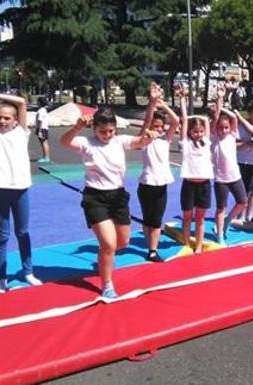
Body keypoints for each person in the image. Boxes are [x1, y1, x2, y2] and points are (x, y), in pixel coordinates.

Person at [60, 108, 154, 299]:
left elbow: (138, 141)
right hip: (95, 198)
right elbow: (64, 142)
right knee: (109, 244)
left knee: (123, 242)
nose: (107, 135)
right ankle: (107, 285)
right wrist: (76, 127)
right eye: (102, 131)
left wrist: (148, 137)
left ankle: (105, 256)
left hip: (118, 197)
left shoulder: (119, 141)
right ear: (94, 128)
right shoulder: (86, 143)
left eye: (111, 131)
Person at [0, 50, 42, 293]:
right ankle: (2, 278)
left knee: (23, 231)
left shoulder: (22, 132)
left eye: (7, 118)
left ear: (15, 120)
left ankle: (28, 271)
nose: (2, 121)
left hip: (20, 189)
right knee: (2, 235)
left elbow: (22, 103)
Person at [137, 82, 179, 261]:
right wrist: (152, 104)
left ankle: (152, 250)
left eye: (161, 126)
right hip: (146, 184)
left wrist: (163, 105)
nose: (159, 129)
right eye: (156, 126)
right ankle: (150, 245)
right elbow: (146, 123)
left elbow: (176, 121)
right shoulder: (144, 140)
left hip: (161, 184)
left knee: (156, 219)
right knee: (147, 219)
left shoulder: (165, 140)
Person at [177, 85, 214, 253]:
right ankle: (186, 244)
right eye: (195, 131)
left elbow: (206, 122)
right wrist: (183, 99)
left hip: (204, 184)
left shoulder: (207, 143)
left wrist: (202, 116)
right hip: (189, 185)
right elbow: (184, 120)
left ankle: (198, 246)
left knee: (200, 218)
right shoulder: (185, 143)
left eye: (200, 131)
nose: (198, 134)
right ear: (190, 132)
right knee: (187, 216)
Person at [211, 83, 247, 245]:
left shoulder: (232, 135)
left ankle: (227, 221)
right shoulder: (214, 138)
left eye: (226, 128)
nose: (224, 130)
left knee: (242, 202)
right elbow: (216, 118)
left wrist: (223, 101)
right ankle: (219, 235)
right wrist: (219, 99)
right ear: (217, 129)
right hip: (220, 179)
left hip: (235, 176)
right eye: (221, 128)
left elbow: (232, 117)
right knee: (220, 208)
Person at [236, 101, 253, 221]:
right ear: (249, 113)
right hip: (242, 162)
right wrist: (248, 143)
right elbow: (233, 144)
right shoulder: (240, 127)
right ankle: (239, 215)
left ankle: (249, 216)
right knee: (243, 192)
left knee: (252, 191)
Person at [35, 96, 50, 163]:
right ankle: (46, 156)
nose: (36, 103)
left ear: (40, 102)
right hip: (43, 128)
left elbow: (40, 121)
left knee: (44, 142)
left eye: (37, 101)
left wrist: (39, 131)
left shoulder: (41, 110)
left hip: (42, 128)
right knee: (44, 142)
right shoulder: (43, 110)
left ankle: (46, 157)